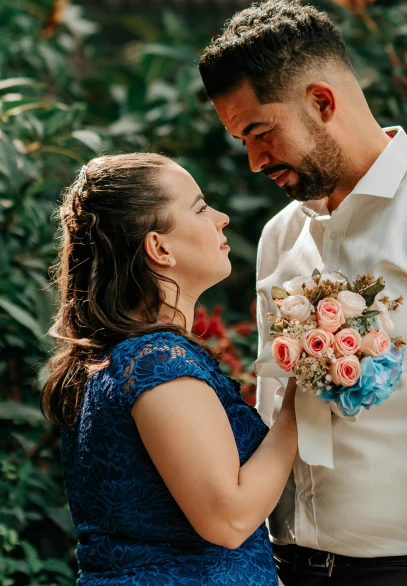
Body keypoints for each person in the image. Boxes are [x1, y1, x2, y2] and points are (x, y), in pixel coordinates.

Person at [198, 0, 407, 586]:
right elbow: (275, 408)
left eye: (260, 132)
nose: (253, 161)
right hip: (286, 566)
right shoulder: (281, 236)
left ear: (321, 102)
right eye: (242, 141)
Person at [41, 153, 297, 585]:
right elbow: (229, 519)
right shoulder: (156, 361)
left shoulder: (118, 357)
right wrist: (300, 402)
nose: (222, 218)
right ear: (159, 248)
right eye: (200, 208)